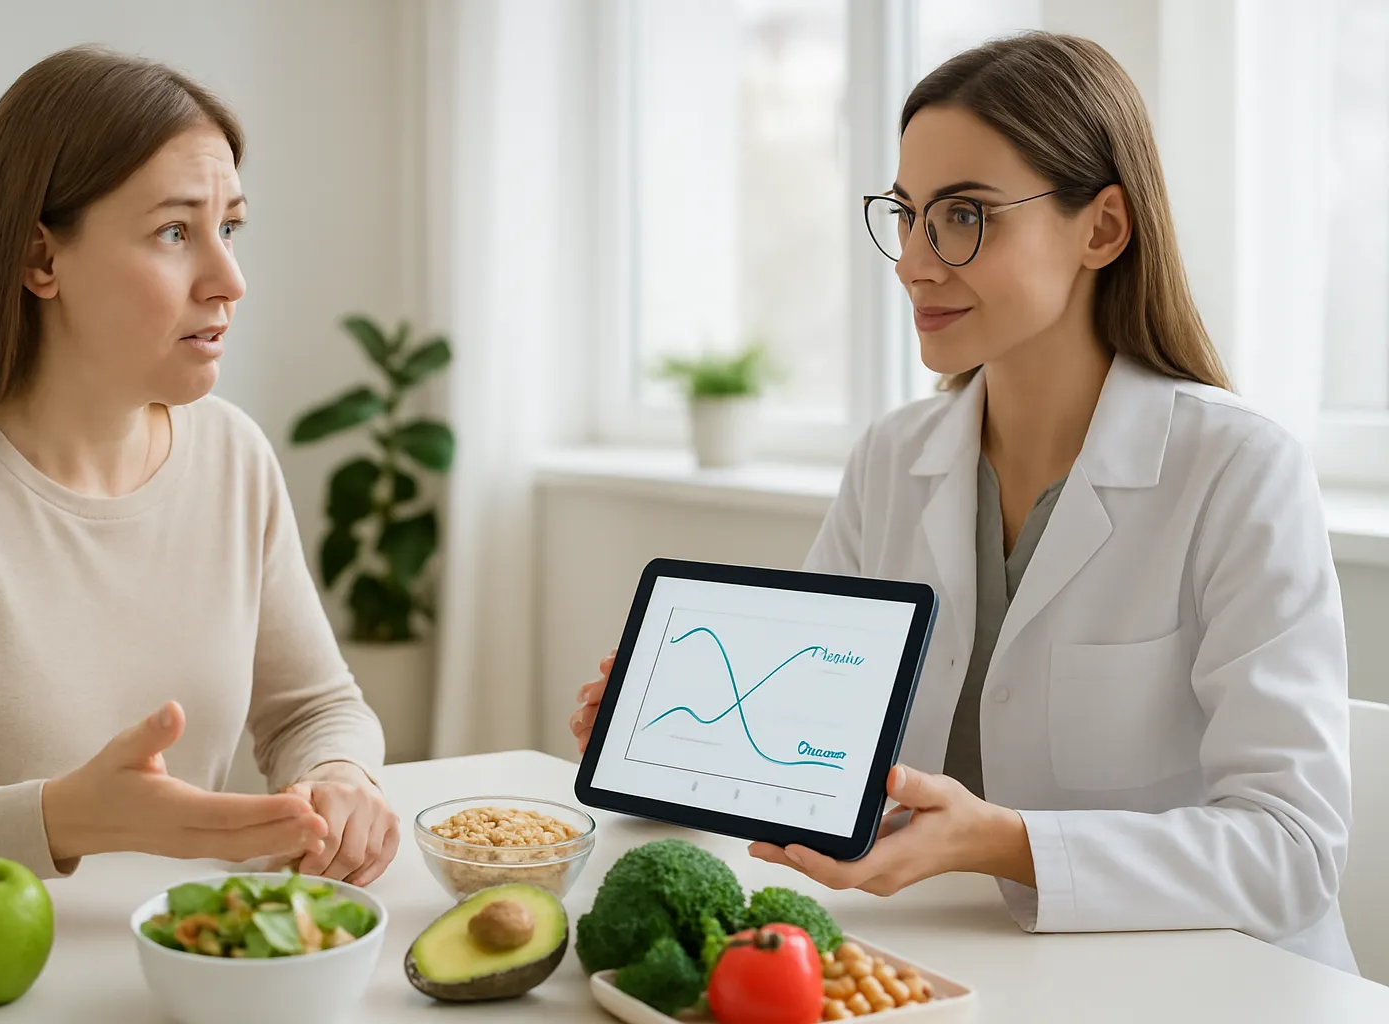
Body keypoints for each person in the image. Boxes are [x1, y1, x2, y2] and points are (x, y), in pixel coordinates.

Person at [571, 32, 1355, 973]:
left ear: (1101, 229)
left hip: (1210, 983)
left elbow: (1293, 853)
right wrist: (672, 749)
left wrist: (1006, 842)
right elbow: (814, 755)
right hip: (970, 966)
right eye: (906, 216)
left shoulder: (1238, 470)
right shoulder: (893, 459)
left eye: (965, 217)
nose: (912, 263)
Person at [0, 45, 399, 902]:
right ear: (41, 261)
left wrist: (342, 778)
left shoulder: (233, 456)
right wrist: (66, 819)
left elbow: (315, 708)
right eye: (175, 232)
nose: (229, 280)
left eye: (230, 228)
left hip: (182, 964)